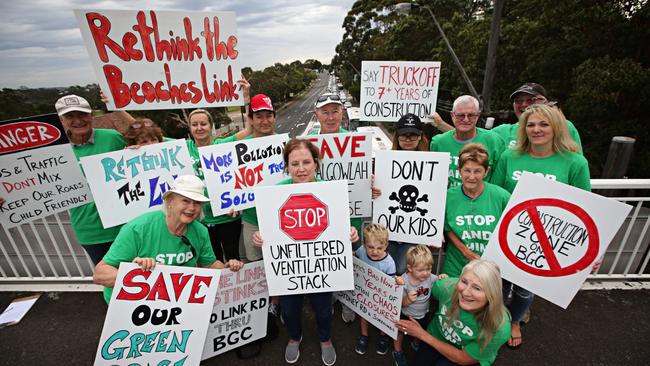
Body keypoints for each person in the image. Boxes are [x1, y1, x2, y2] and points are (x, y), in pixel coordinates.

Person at [251, 139, 359, 366]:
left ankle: (325, 338)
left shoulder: (330, 192)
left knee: (323, 310)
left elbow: (341, 226)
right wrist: (260, 237)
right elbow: (268, 231)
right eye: (295, 163)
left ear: (316, 164)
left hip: (320, 268)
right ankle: (294, 336)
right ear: (286, 167)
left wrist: (350, 233)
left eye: (306, 162)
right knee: (289, 312)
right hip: (290, 270)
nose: (301, 168)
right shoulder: (274, 194)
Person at [491, 103, 590, 349]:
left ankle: (514, 321)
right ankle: (497, 320)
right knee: (499, 284)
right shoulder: (508, 157)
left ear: (556, 127)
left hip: (546, 241)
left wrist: (590, 253)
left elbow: (585, 210)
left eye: (543, 124)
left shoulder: (575, 163)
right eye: (531, 125)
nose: (536, 130)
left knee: (526, 289)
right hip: (508, 233)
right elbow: (493, 193)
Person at [93, 175, 243, 303]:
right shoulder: (138, 229)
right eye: (185, 201)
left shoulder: (200, 231)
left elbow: (209, 265)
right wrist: (137, 273)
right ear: (170, 201)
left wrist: (228, 268)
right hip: (131, 302)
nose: (192, 208)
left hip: (175, 301)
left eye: (197, 203)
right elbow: (100, 274)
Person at [395, 260, 511, 366]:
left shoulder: (499, 327)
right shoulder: (446, 287)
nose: (465, 292)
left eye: (477, 288)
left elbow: (462, 358)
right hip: (436, 335)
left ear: (492, 294)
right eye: (464, 282)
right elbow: (425, 289)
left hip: (462, 354)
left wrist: (420, 334)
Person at [55, 94, 127, 265]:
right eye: (70, 116)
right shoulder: (55, 152)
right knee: (111, 280)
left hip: (126, 226)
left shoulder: (113, 137)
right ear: (61, 120)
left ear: (91, 115)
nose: (77, 120)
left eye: (82, 114)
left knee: (142, 275)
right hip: (91, 231)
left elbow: (151, 140)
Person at [442, 144, 511, 277]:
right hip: (456, 267)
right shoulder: (448, 196)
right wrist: (465, 251)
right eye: (467, 170)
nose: (471, 176)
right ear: (459, 170)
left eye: (477, 171)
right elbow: (447, 228)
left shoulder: (502, 196)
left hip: (491, 268)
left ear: (486, 171)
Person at [384, 113, 431, 276]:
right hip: (389, 228)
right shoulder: (386, 162)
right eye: (404, 135)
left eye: (413, 135)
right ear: (397, 136)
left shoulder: (432, 165)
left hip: (415, 231)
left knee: (403, 269)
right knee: (386, 269)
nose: (408, 139)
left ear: (420, 137)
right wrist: (374, 189)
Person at [429, 96, 504, 187]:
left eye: (471, 115)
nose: (466, 120)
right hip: (448, 198)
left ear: (478, 115)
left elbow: (499, 178)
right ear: (452, 115)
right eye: (460, 115)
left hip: (481, 199)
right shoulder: (438, 142)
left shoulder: (494, 141)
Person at [392, 245, 446, 366]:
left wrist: (442, 278)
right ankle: (397, 351)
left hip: (423, 314)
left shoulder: (430, 278)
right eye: (421, 270)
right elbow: (398, 303)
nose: (426, 273)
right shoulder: (404, 280)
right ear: (410, 268)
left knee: (420, 330)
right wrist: (407, 300)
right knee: (400, 332)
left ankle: (415, 343)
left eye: (428, 268)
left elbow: (438, 281)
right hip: (406, 314)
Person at [354, 223, 402, 356]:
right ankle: (364, 335)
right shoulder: (361, 252)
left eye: (379, 248)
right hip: (365, 292)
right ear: (364, 245)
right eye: (370, 247)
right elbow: (355, 258)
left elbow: (391, 284)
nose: (375, 251)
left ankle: (383, 336)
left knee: (384, 316)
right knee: (363, 313)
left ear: (386, 246)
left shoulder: (389, 263)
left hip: (382, 298)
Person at [491, 83, 582, 150]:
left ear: (545, 102)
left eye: (531, 100)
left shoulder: (564, 126)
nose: (524, 104)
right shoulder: (502, 132)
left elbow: (576, 165)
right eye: (518, 100)